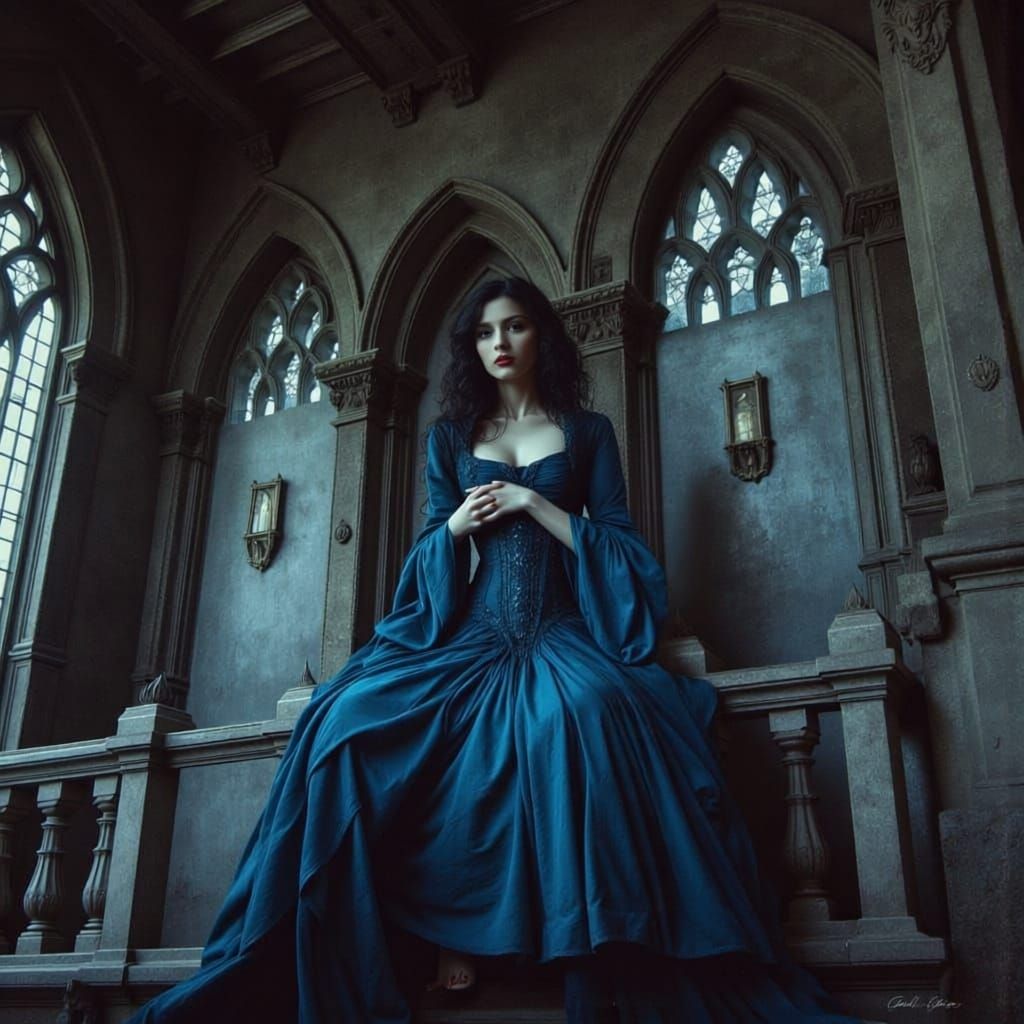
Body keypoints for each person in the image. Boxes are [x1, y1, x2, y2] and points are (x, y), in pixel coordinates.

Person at [126, 276, 865, 1023]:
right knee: (344, 724)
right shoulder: (450, 438)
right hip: (472, 633)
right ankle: (422, 941)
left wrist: (537, 504)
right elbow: (427, 553)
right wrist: (454, 531)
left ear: (541, 335)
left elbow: (623, 548)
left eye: (514, 327)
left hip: (561, 629)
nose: (500, 343)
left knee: (582, 712)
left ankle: (576, 956)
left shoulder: (588, 431)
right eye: (484, 332)